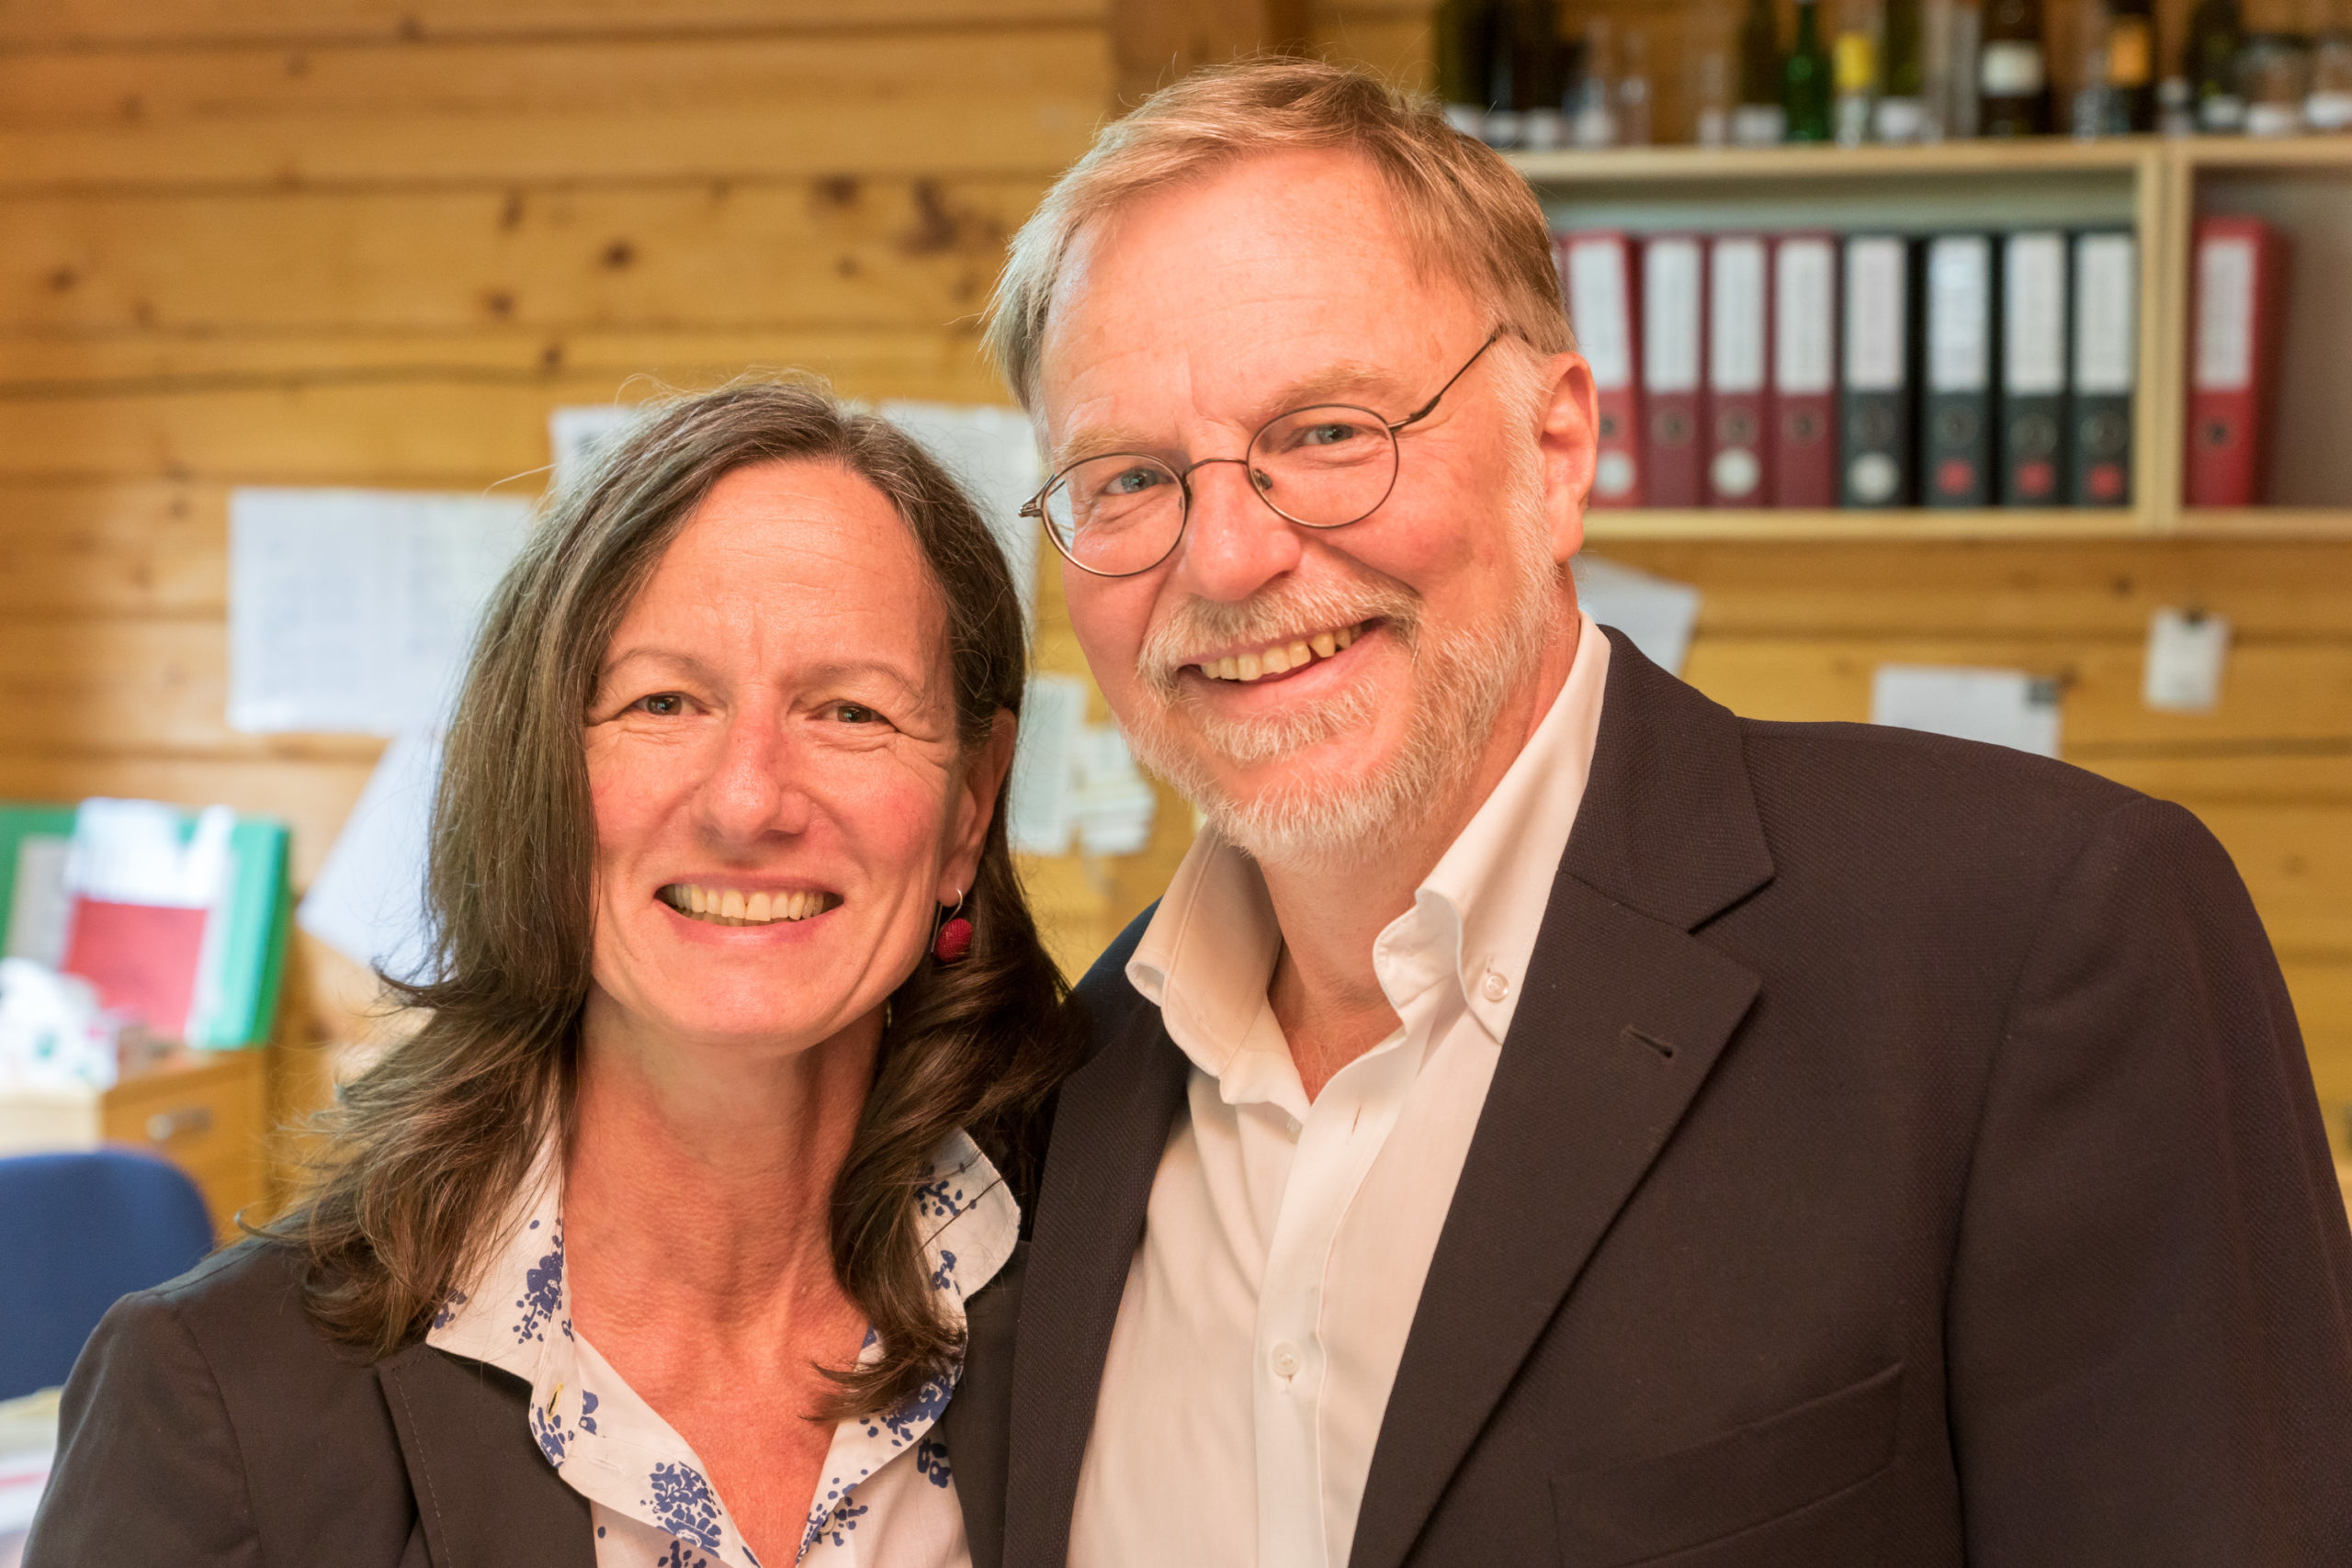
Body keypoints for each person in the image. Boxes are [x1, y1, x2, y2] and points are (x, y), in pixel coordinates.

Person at [965, 60, 2352, 1568]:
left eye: (1328, 433)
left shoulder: (2032, 940)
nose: (1228, 557)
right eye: (1127, 477)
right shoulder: (1057, 1100)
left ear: (1557, 454)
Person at [28, 382, 1078, 1568]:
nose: (748, 801)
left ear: (968, 808)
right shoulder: (218, 1398)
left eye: (849, 711)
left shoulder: (1102, 1295)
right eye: (662, 701)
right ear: (539, 775)